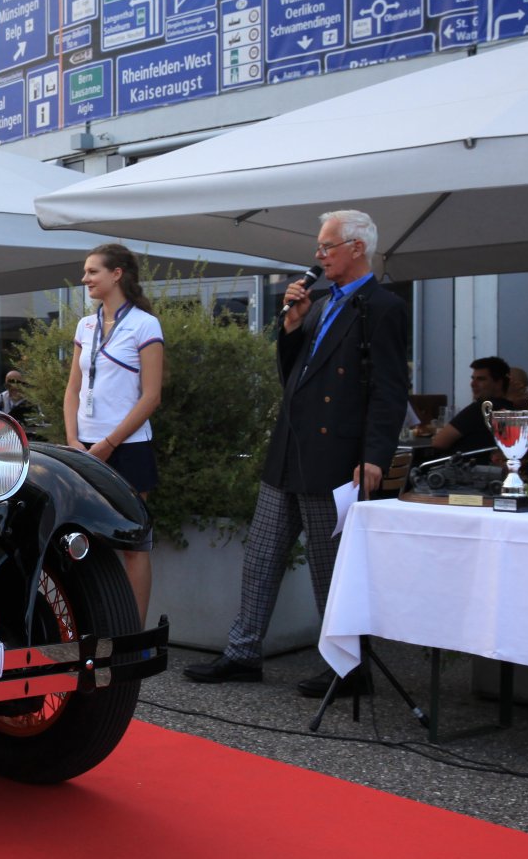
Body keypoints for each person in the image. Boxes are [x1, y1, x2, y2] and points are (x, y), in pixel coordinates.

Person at [183, 210, 409, 697]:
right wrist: (290, 327)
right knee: (261, 556)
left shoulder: (382, 307)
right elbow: (294, 378)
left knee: (330, 569)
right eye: (319, 247)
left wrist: (375, 456)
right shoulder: (321, 303)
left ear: (357, 248)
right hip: (289, 448)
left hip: (334, 459)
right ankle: (243, 653)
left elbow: (390, 391)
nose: (318, 255)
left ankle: (349, 668)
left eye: (327, 246)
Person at [61, 244, 165, 623]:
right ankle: (97, 626)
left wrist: (108, 444)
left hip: (128, 448)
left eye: (93, 272)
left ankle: (134, 634)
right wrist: (73, 441)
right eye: (85, 272)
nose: (85, 279)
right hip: (84, 448)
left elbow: (151, 396)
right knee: (88, 542)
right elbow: (73, 389)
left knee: (133, 546)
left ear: (117, 274)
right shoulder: (85, 326)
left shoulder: (144, 324)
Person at [431, 356, 512, 454]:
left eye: (481, 379)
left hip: (466, 462)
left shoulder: (481, 409)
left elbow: (439, 442)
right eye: (473, 379)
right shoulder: (511, 408)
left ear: (499, 383)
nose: (473, 384)